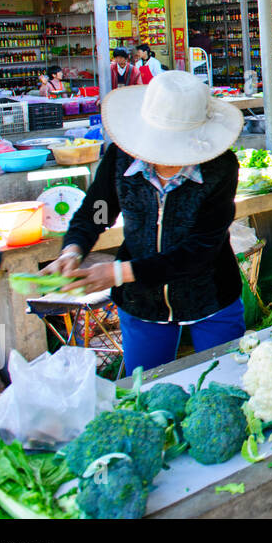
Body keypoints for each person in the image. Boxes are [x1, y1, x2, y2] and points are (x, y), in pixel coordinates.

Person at [45, 71, 245, 373]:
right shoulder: (120, 159)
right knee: (147, 388)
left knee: (225, 383)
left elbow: (201, 248)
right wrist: (73, 250)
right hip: (142, 304)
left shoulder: (221, 167)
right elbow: (98, 212)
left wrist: (119, 272)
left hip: (211, 297)